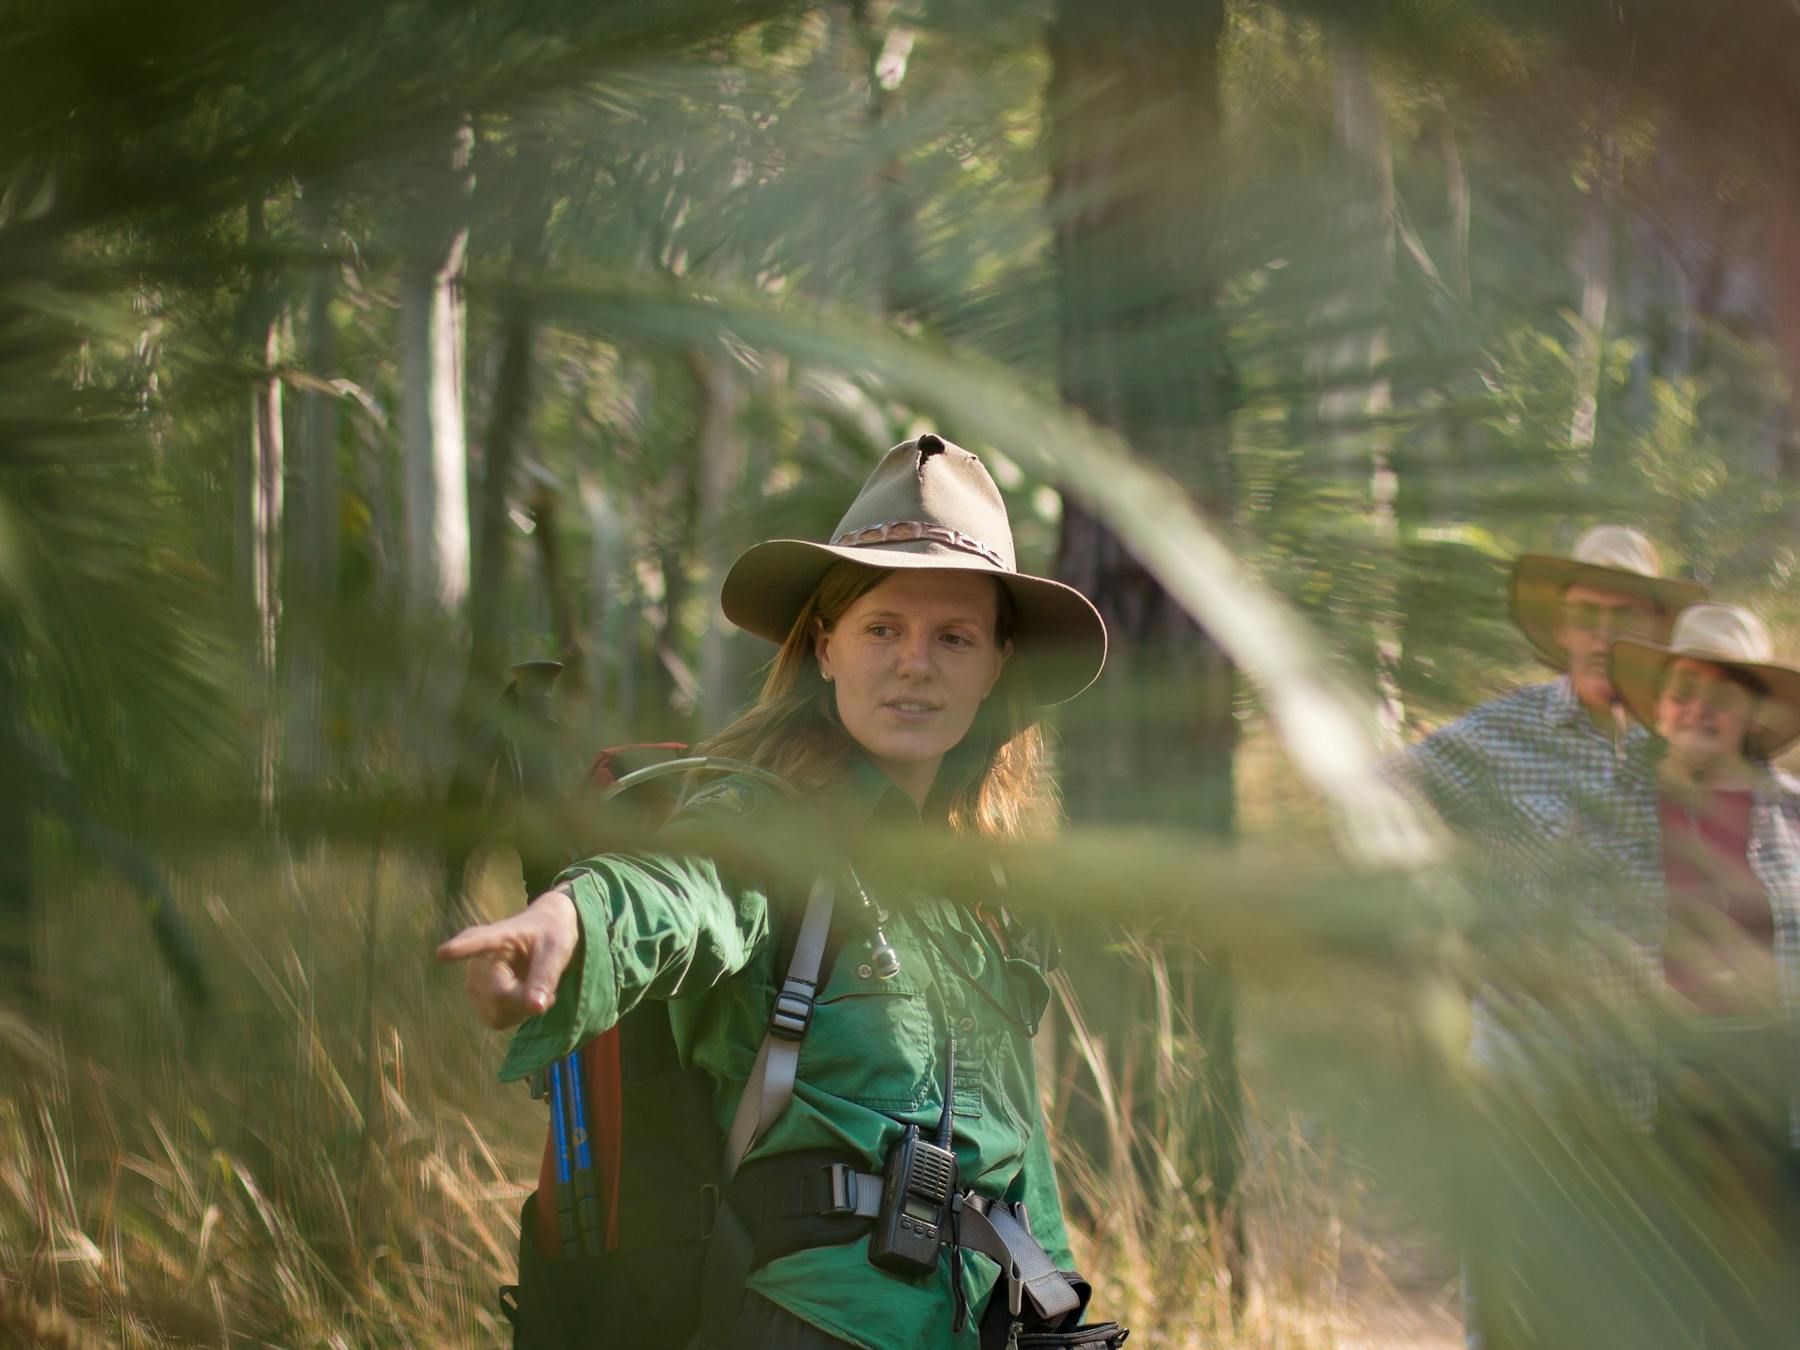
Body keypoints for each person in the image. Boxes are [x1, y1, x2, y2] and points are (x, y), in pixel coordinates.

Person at [437, 433, 1110, 1349]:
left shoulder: (987, 894)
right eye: (883, 629)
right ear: (826, 648)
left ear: (996, 670)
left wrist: (1058, 1302)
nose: (915, 662)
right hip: (809, 1323)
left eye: (953, 637)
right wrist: (569, 920)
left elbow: (1017, 1157)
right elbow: (681, 891)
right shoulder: (765, 819)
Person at [1386, 525, 1705, 1348]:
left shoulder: (1684, 744)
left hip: (1653, 1075)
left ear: (1659, 633)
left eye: (1626, 616)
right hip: (1520, 1060)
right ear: (1563, 629)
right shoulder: (1501, 735)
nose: (1604, 636)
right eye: (1587, 615)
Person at [1606, 600, 1800, 1340]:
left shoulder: (1794, 815)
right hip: (1651, 1076)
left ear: (1753, 714)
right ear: (1659, 703)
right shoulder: (1610, 807)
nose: (1699, 709)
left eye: (1723, 696)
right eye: (1684, 690)